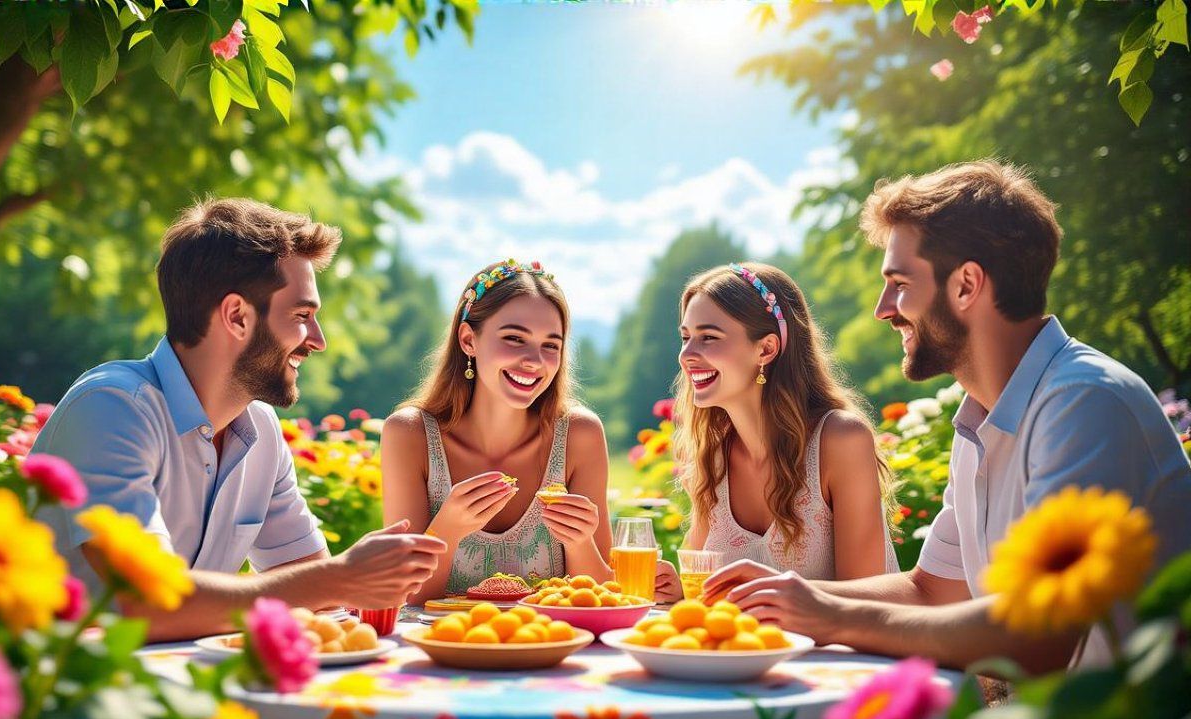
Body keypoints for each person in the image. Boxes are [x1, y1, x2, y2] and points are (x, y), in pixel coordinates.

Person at [703, 161, 1191, 671]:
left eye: (898, 282)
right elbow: (932, 591)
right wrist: (777, 596)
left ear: (965, 285)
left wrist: (828, 615)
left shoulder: (1084, 403)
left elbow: (1042, 633)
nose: (883, 308)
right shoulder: (980, 421)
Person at [34, 198, 445, 642]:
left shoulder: (260, 430)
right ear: (237, 317)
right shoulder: (113, 408)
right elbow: (146, 601)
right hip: (52, 697)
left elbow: (312, 589)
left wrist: (353, 578)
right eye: (303, 316)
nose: (318, 340)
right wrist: (337, 578)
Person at [654, 263, 898, 603]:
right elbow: (704, 595)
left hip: (845, 656)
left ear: (766, 349)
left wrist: (759, 592)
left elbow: (865, 600)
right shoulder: (714, 456)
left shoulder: (840, 441)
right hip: (752, 655)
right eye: (686, 338)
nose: (686, 355)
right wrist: (680, 591)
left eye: (708, 337)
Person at [382, 259, 613, 604]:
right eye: (514, 338)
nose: (534, 361)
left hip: (549, 648)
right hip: (446, 650)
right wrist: (447, 529)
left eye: (551, 345)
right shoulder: (410, 435)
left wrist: (579, 542)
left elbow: (601, 597)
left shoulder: (580, 435)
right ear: (468, 340)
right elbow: (405, 599)